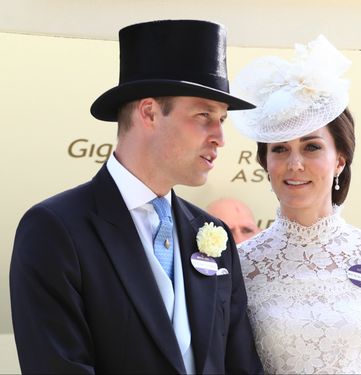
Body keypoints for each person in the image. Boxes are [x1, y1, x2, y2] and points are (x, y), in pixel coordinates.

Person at [10, 20, 263, 374]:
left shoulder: (212, 233)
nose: (220, 136)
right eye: (205, 115)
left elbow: (241, 365)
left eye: (221, 119)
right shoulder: (55, 229)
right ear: (149, 113)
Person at [230, 35, 361, 374]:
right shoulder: (242, 264)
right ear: (265, 162)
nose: (295, 163)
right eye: (280, 149)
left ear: (340, 159)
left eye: (311, 147)